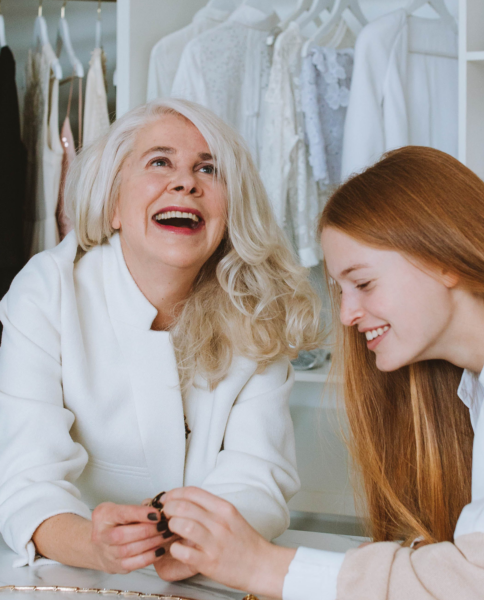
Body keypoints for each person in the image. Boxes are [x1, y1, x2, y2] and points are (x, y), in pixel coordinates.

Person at [157, 146, 484, 599]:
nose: (347, 314)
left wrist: (267, 568)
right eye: (341, 290)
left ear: (443, 256)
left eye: (364, 283)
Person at [0, 98, 321, 580]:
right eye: (160, 162)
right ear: (113, 204)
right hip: (77, 577)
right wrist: (95, 546)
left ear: (229, 209)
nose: (186, 181)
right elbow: (27, 481)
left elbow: (259, 476)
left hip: (214, 579)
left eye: (208, 169)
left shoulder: (256, 308)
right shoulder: (47, 291)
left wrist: (191, 547)